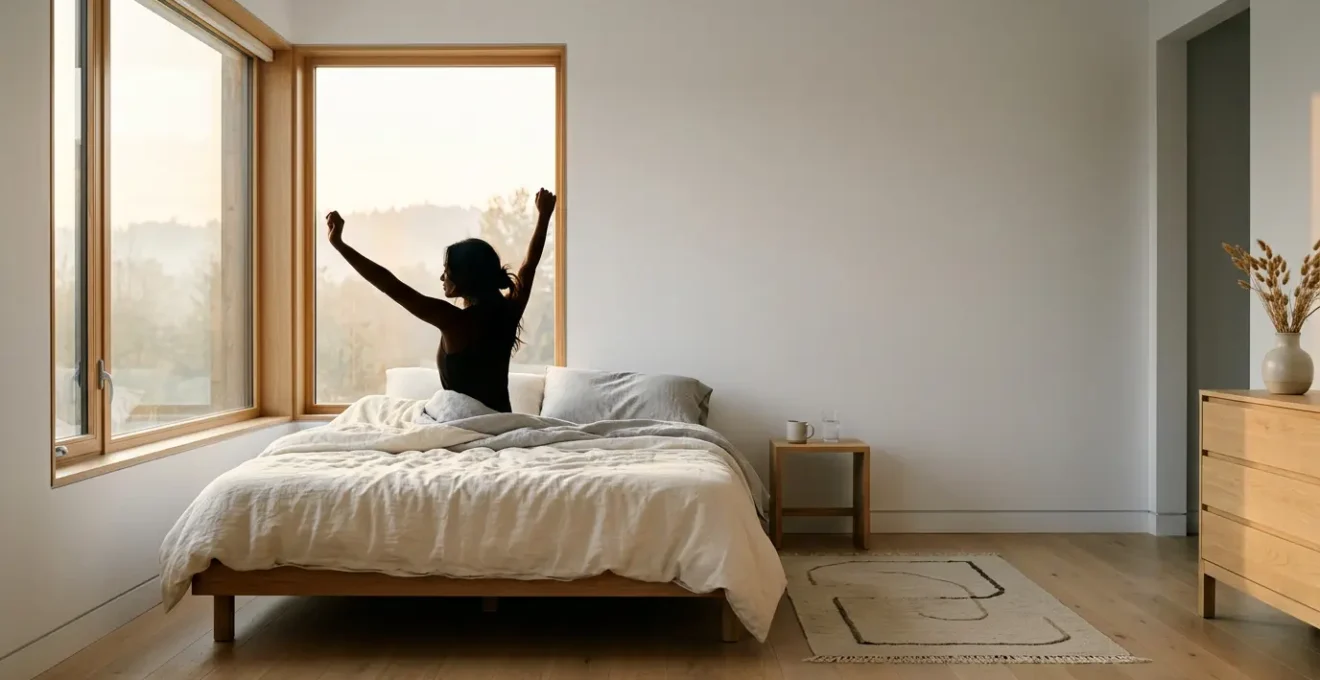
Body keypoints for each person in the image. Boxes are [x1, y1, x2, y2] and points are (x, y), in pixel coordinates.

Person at [325, 188, 557, 412]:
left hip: (465, 424)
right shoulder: (509, 311)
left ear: (465, 278)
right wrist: (544, 216)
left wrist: (339, 245)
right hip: (502, 421)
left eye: (447, 271)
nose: (442, 277)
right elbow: (529, 265)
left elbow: (389, 284)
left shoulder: (453, 321)